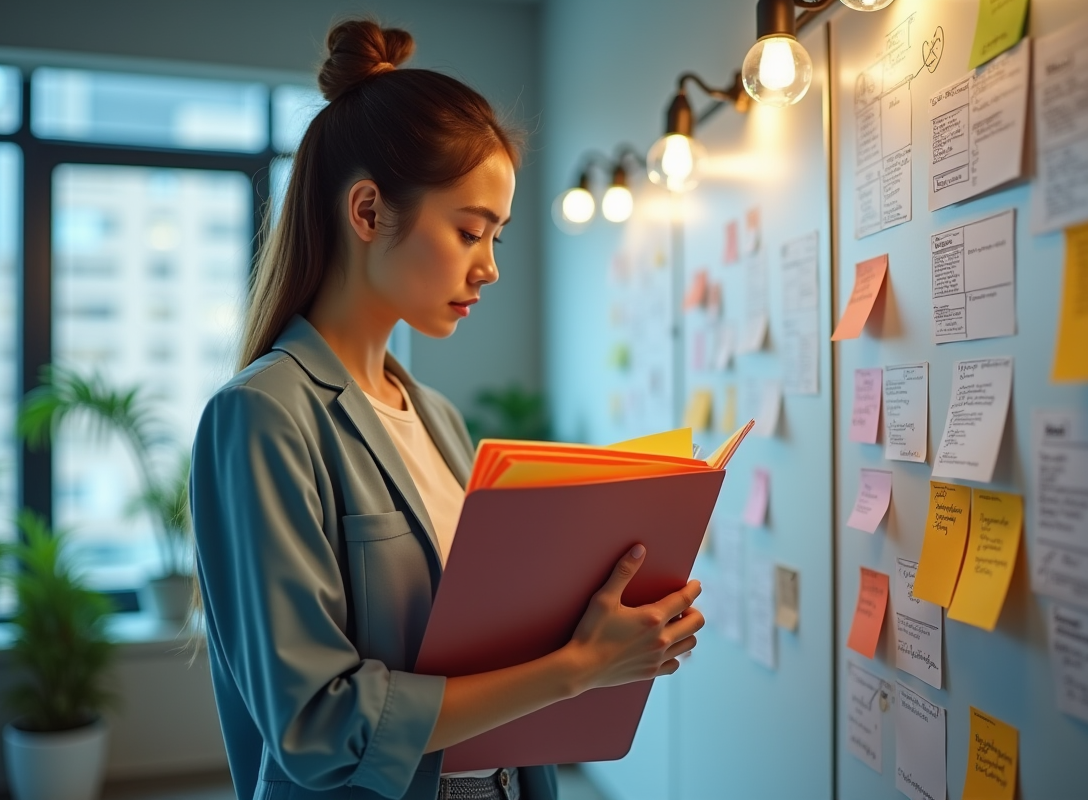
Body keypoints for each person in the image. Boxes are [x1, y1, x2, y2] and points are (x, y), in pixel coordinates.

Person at [189, 19, 704, 800]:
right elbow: (315, 726)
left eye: (495, 236)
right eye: (470, 231)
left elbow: (478, 650)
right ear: (366, 213)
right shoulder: (263, 416)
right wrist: (576, 668)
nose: (490, 268)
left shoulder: (436, 417)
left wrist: (611, 637)